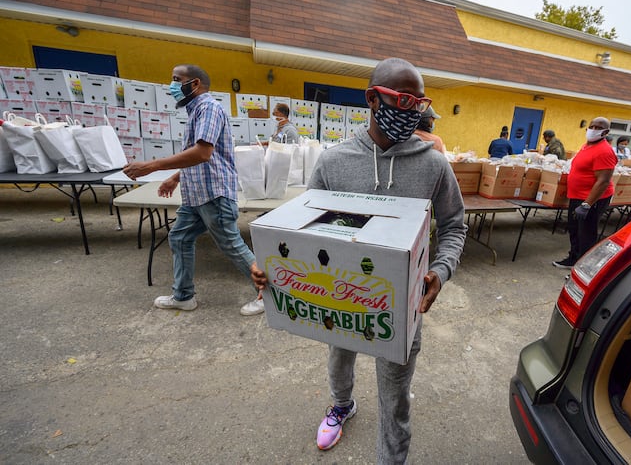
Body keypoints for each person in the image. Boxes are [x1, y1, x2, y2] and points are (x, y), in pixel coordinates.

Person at [251, 58, 467, 463]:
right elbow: (300, 229)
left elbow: (455, 225)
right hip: (339, 293)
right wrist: (270, 266)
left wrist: (440, 270)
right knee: (339, 355)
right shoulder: (334, 162)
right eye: (404, 100)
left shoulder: (433, 164)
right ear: (372, 99)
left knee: (395, 395)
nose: (414, 111)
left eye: (420, 103)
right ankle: (341, 405)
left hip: (401, 304)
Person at [123, 64, 264, 316]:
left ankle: (270, 297)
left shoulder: (208, 108)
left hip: (212, 193)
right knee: (180, 238)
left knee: (231, 244)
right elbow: (203, 155)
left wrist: (152, 166)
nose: (172, 86)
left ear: (195, 84)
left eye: (177, 80)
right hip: (196, 194)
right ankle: (183, 296)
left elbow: (203, 152)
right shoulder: (196, 111)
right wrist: (175, 178)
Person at [553, 117, 617, 269]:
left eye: (598, 127)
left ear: (605, 132)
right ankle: (573, 259)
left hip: (592, 200)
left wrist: (587, 204)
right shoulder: (587, 146)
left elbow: (603, 181)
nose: (593, 130)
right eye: (592, 126)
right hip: (577, 196)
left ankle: (583, 268)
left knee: (586, 235)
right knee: (574, 229)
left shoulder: (604, 151)